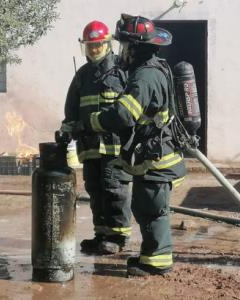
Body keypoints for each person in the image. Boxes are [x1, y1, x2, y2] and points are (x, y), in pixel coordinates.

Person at [84, 14, 186, 276]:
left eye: (125, 46)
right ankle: (151, 257)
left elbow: (122, 114)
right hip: (155, 155)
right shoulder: (153, 69)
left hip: (157, 158)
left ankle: (155, 263)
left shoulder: (145, 77)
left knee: (151, 209)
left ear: (136, 47)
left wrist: (95, 121)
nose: (122, 52)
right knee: (147, 207)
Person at [60, 20, 132, 254]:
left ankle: (118, 237)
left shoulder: (122, 72)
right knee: (95, 189)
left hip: (115, 147)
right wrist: (67, 131)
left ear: (107, 44)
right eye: (90, 46)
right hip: (90, 146)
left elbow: (130, 111)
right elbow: (71, 110)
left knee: (114, 189)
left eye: (98, 45)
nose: (93, 50)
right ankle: (101, 234)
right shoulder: (82, 76)